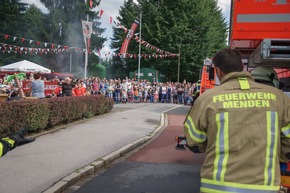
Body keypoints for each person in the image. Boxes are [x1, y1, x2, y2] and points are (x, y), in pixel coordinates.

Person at [183, 48, 290, 193]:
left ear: (218, 71)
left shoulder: (208, 98)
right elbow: (288, 141)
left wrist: (213, 142)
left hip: (218, 186)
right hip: (265, 186)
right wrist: (276, 155)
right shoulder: (279, 98)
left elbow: (194, 141)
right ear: (242, 68)